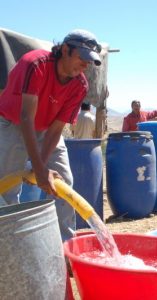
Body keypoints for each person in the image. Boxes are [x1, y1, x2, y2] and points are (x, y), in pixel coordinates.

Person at [0, 29, 102, 241]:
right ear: (65, 49)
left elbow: (56, 129)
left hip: (45, 128)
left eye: (89, 61)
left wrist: (43, 165)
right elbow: (26, 117)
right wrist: (38, 169)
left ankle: (64, 247)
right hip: (12, 121)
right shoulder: (35, 64)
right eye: (82, 58)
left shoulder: (79, 85)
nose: (85, 65)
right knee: (8, 187)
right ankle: (13, 247)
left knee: (63, 181)